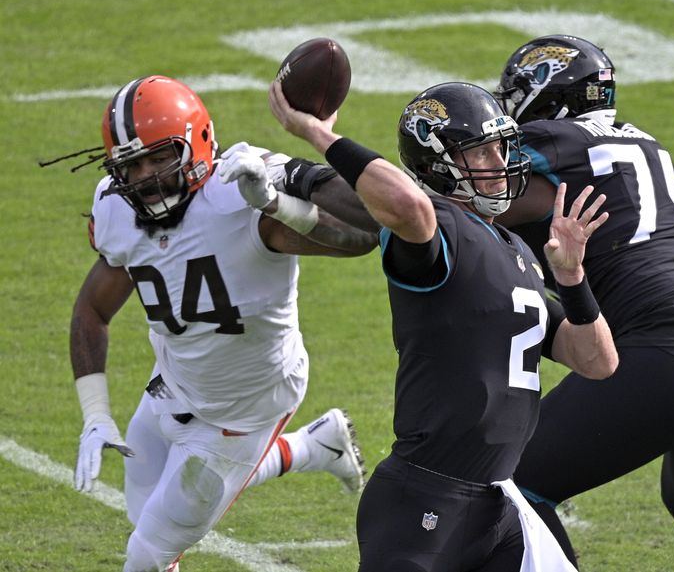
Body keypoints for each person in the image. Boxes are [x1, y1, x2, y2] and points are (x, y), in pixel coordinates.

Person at [269, 78, 618, 572]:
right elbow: (407, 207)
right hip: (426, 498)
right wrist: (317, 134)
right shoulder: (436, 229)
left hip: (500, 503)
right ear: (437, 164)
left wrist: (572, 278)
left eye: (502, 148)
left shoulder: (516, 250)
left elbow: (598, 360)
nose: (500, 164)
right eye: (482, 153)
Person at [491, 35, 674, 571]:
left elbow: (461, 203)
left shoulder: (552, 142)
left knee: (516, 484)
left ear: (546, 97)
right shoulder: (644, 142)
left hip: (670, 354)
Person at [64, 75, 377, 572]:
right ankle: (315, 446)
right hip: (173, 386)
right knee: (146, 517)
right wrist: (96, 413)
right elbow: (92, 311)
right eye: (132, 164)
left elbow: (366, 233)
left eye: (159, 158)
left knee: (147, 555)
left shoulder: (240, 186)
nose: (145, 177)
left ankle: (304, 445)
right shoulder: (118, 209)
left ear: (200, 141)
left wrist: (276, 200)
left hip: (247, 407)